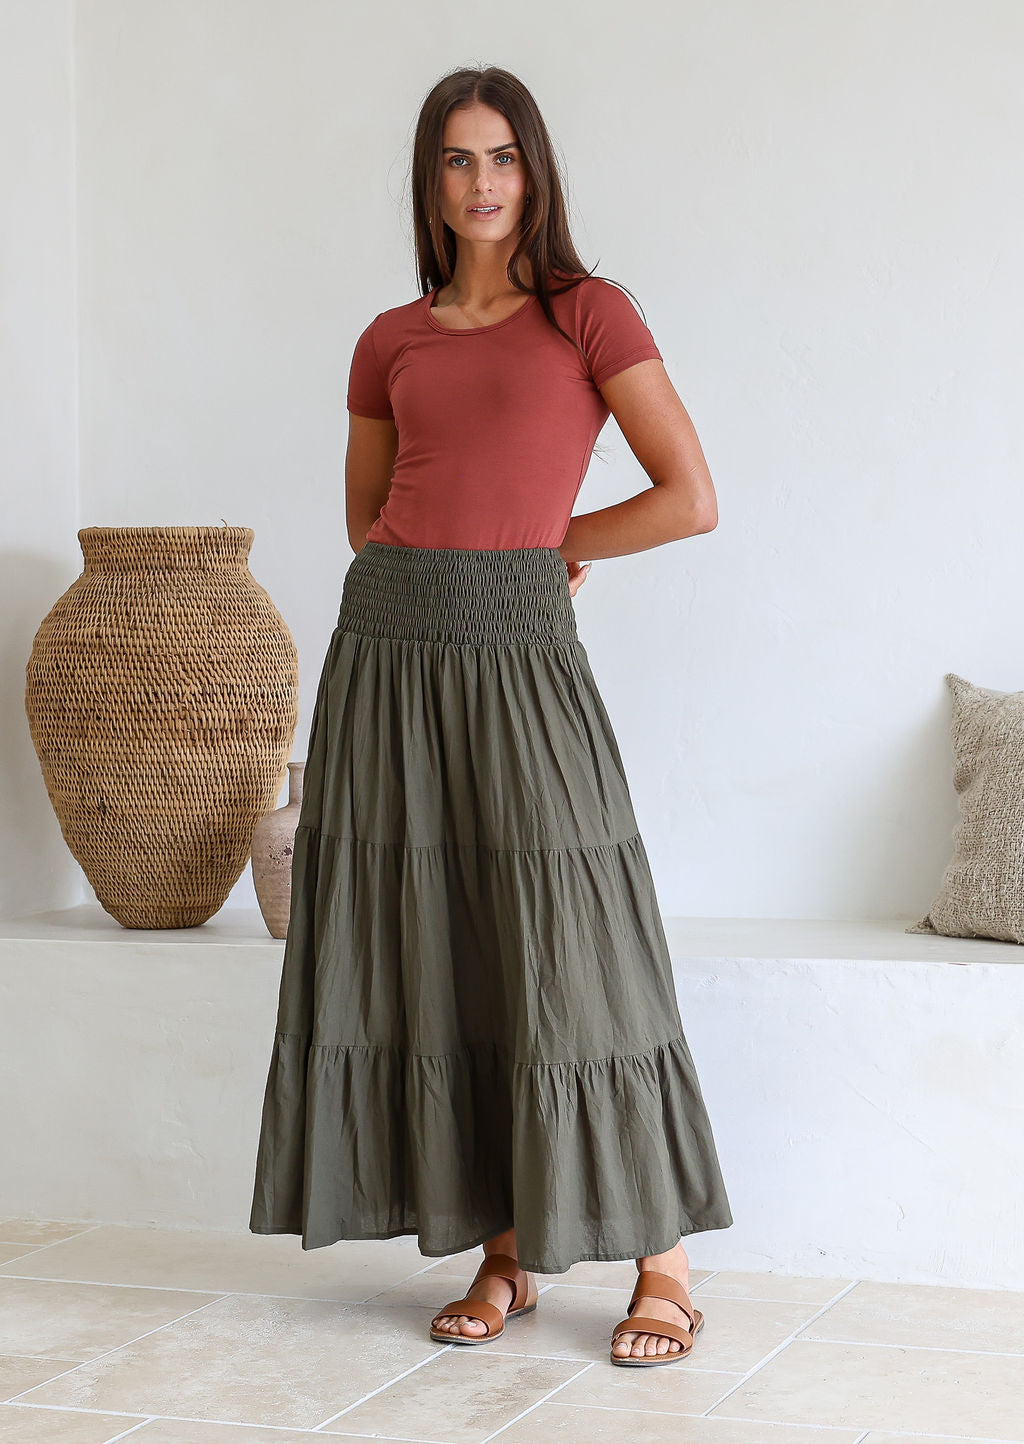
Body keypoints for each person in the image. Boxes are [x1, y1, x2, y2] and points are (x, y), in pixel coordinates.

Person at [250, 64, 733, 1368]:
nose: (482, 183)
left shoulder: (589, 314)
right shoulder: (389, 339)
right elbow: (367, 518)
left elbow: (689, 497)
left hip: (520, 651)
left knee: (580, 944)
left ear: (536, 171)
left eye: (503, 157)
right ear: (430, 180)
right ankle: (503, 1252)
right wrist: (448, 571)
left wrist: (556, 545)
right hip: (387, 653)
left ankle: (665, 1266)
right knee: (444, 952)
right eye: (458, 160)